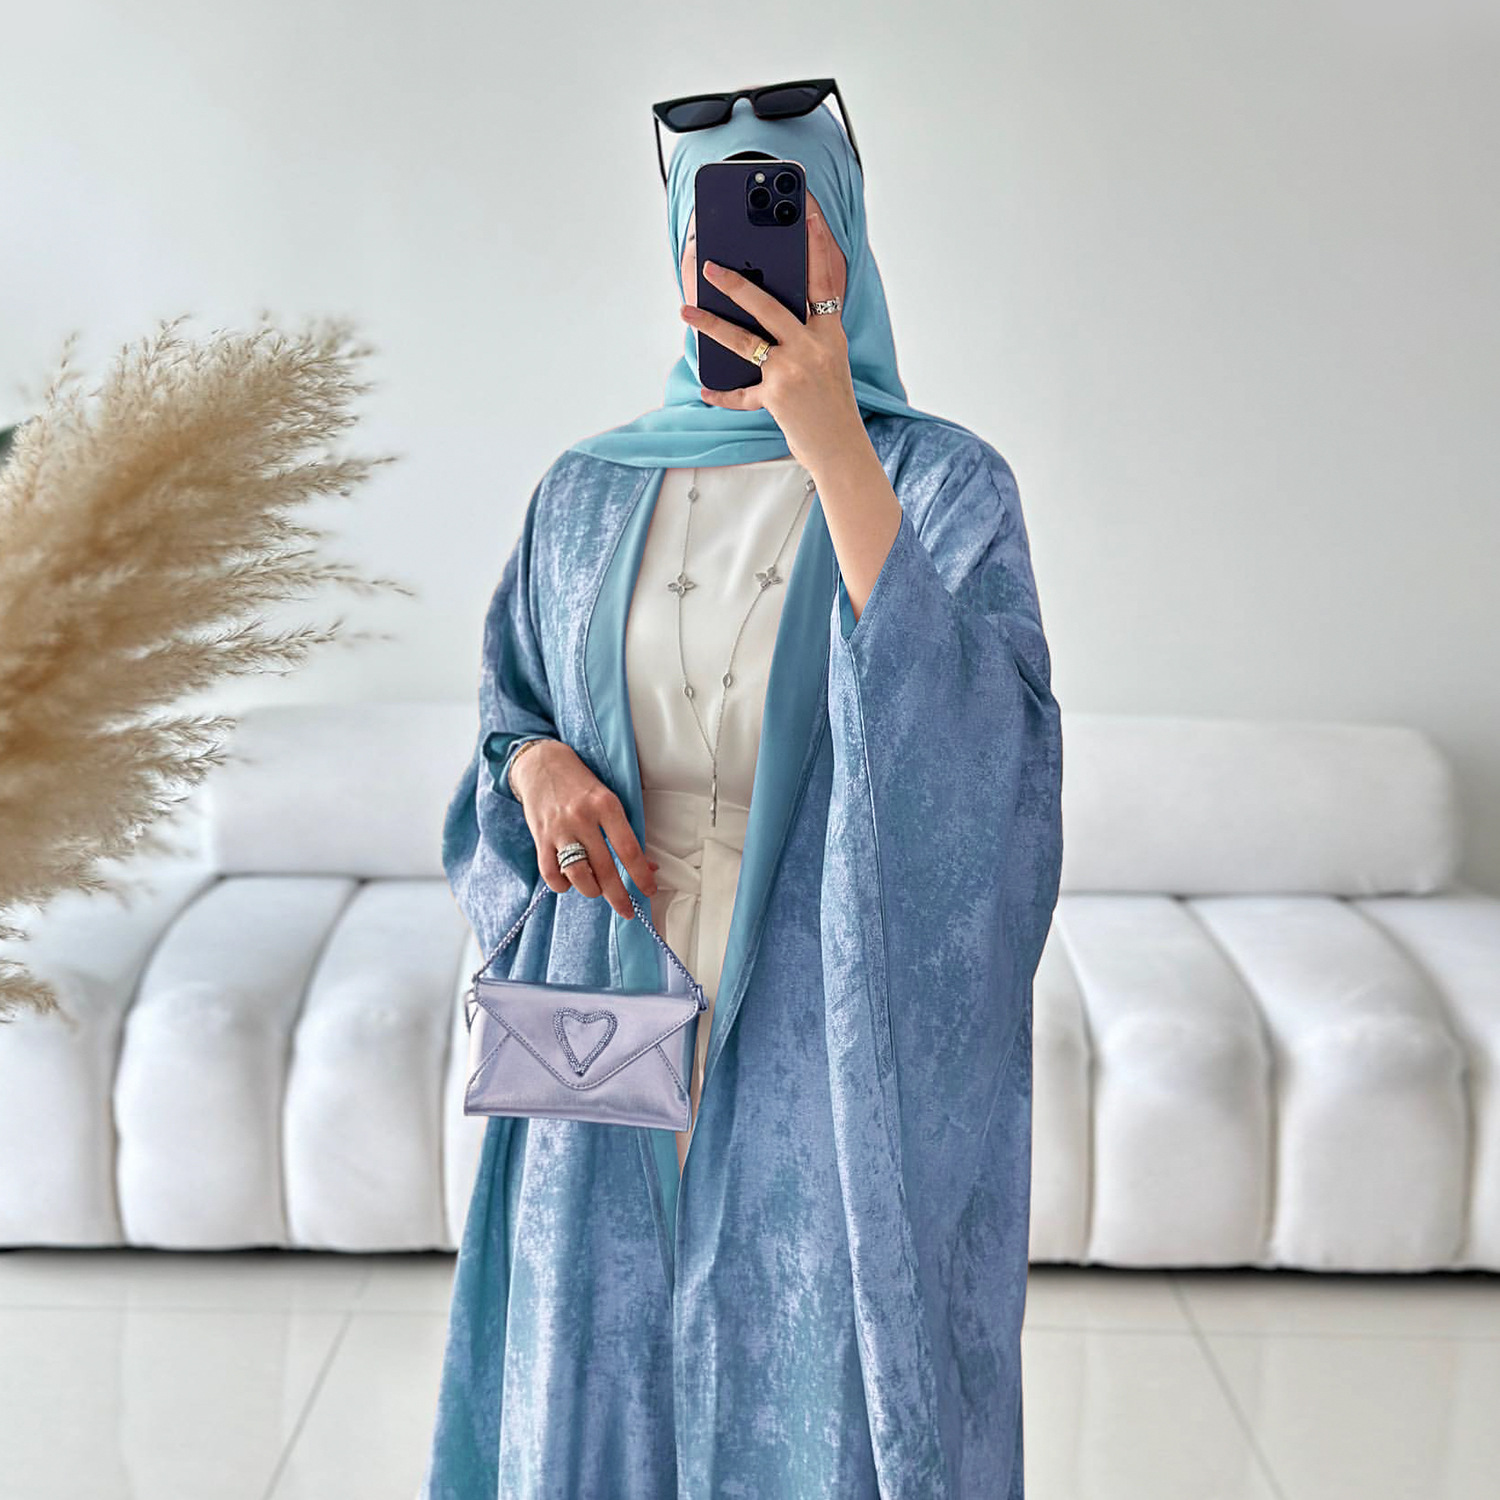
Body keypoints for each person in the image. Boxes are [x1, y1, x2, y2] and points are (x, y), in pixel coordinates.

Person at [421, 89, 1063, 1500]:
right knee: (595, 1345)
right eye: (717, 220)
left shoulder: (944, 484)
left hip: (829, 1008)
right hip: (606, 972)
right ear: (678, 252)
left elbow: (988, 769)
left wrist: (832, 441)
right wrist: (533, 765)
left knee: (807, 1358)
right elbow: (508, 712)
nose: (751, 254)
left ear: (847, 243)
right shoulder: (585, 491)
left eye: (789, 212)